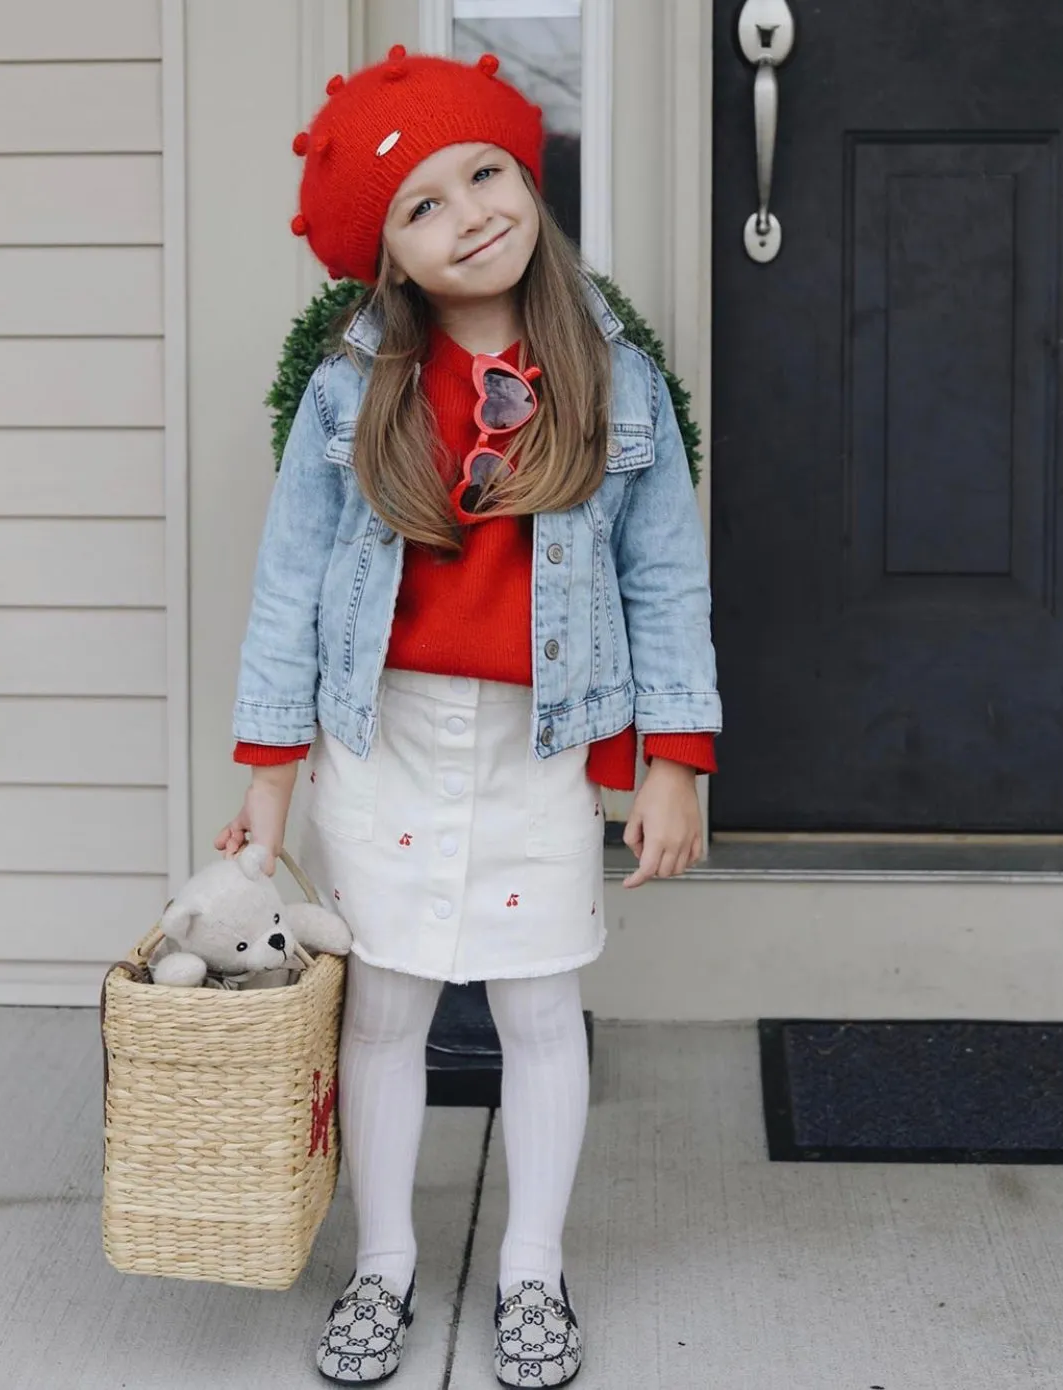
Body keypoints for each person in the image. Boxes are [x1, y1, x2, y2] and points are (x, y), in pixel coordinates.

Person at [215, 45, 722, 1389]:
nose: (470, 213)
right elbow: (292, 579)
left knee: (539, 1007)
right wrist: (269, 768)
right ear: (385, 254)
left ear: (528, 170)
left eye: (484, 172)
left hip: (541, 744)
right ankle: (384, 1260)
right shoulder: (351, 386)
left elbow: (664, 570)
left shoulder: (607, 377)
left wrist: (674, 758)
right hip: (380, 737)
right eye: (422, 205)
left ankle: (531, 1270)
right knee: (384, 1008)